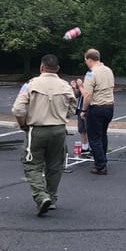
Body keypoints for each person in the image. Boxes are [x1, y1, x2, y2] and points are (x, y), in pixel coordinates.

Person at [11, 54, 76, 216]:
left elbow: (18, 109)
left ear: (41, 67)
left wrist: (23, 124)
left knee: (32, 164)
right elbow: (73, 107)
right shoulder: (65, 86)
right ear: (58, 69)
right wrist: (63, 116)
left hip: (37, 129)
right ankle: (52, 198)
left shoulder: (31, 84)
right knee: (55, 165)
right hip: (59, 130)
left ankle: (41, 196)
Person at [80, 48, 115, 175]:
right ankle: (103, 159)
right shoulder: (108, 70)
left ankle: (100, 165)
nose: (86, 63)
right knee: (103, 135)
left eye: (86, 60)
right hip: (109, 106)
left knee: (94, 137)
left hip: (97, 107)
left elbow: (87, 95)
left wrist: (84, 110)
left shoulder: (91, 73)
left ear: (89, 59)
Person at [70, 77, 90, 155]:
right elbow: (76, 95)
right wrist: (74, 88)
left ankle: (93, 148)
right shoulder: (83, 86)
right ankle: (85, 147)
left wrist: (81, 86)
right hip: (80, 110)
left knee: (89, 129)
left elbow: (86, 95)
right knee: (82, 129)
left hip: (87, 110)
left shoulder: (89, 87)